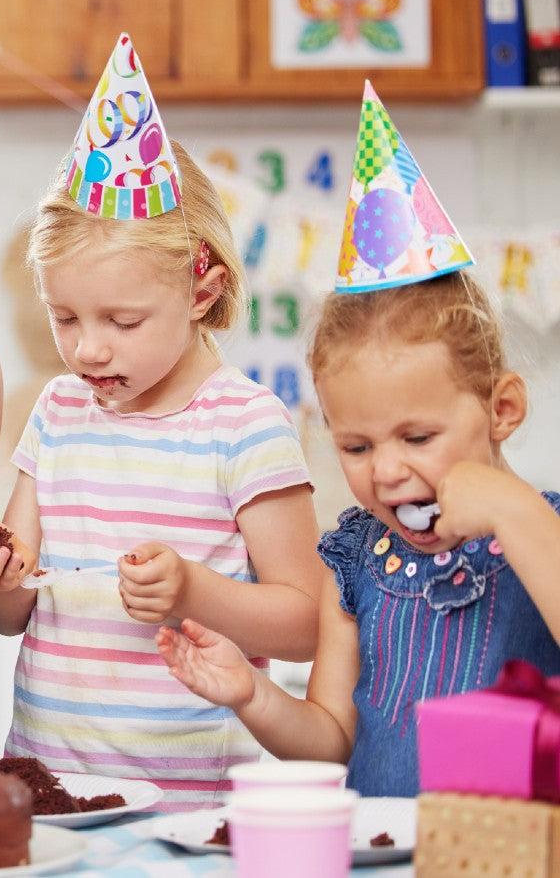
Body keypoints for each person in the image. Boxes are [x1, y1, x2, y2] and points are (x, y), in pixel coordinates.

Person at [157, 84, 560, 797]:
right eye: (358, 446)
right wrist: (253, 697)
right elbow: (331, 738)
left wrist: (509, 505)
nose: (389, 470)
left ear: (503, 408)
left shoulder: (541, 531)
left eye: (419, 435)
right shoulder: (356, 562)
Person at [0, 34, 320, 810]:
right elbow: (12, 613)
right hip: (52, 792)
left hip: (195, 806)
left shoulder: (246, 423)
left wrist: (194, 589)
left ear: (200, 287)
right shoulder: (56, 414)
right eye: (64, 317)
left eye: (122, 319)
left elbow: (308, 620)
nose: (87, 348)